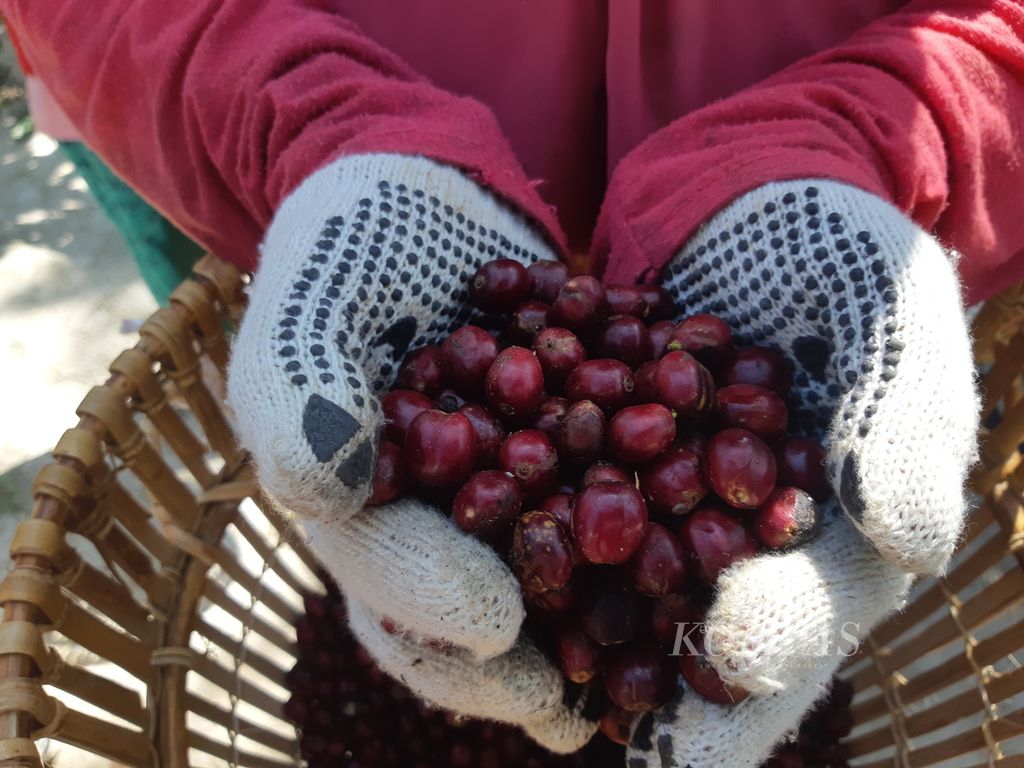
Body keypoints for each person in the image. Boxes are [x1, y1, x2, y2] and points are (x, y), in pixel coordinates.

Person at [4, 2, 1021, 765]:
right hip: (285, 177)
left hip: (808, 182)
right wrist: (301, 116)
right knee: (326, 429)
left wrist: (904, 133)